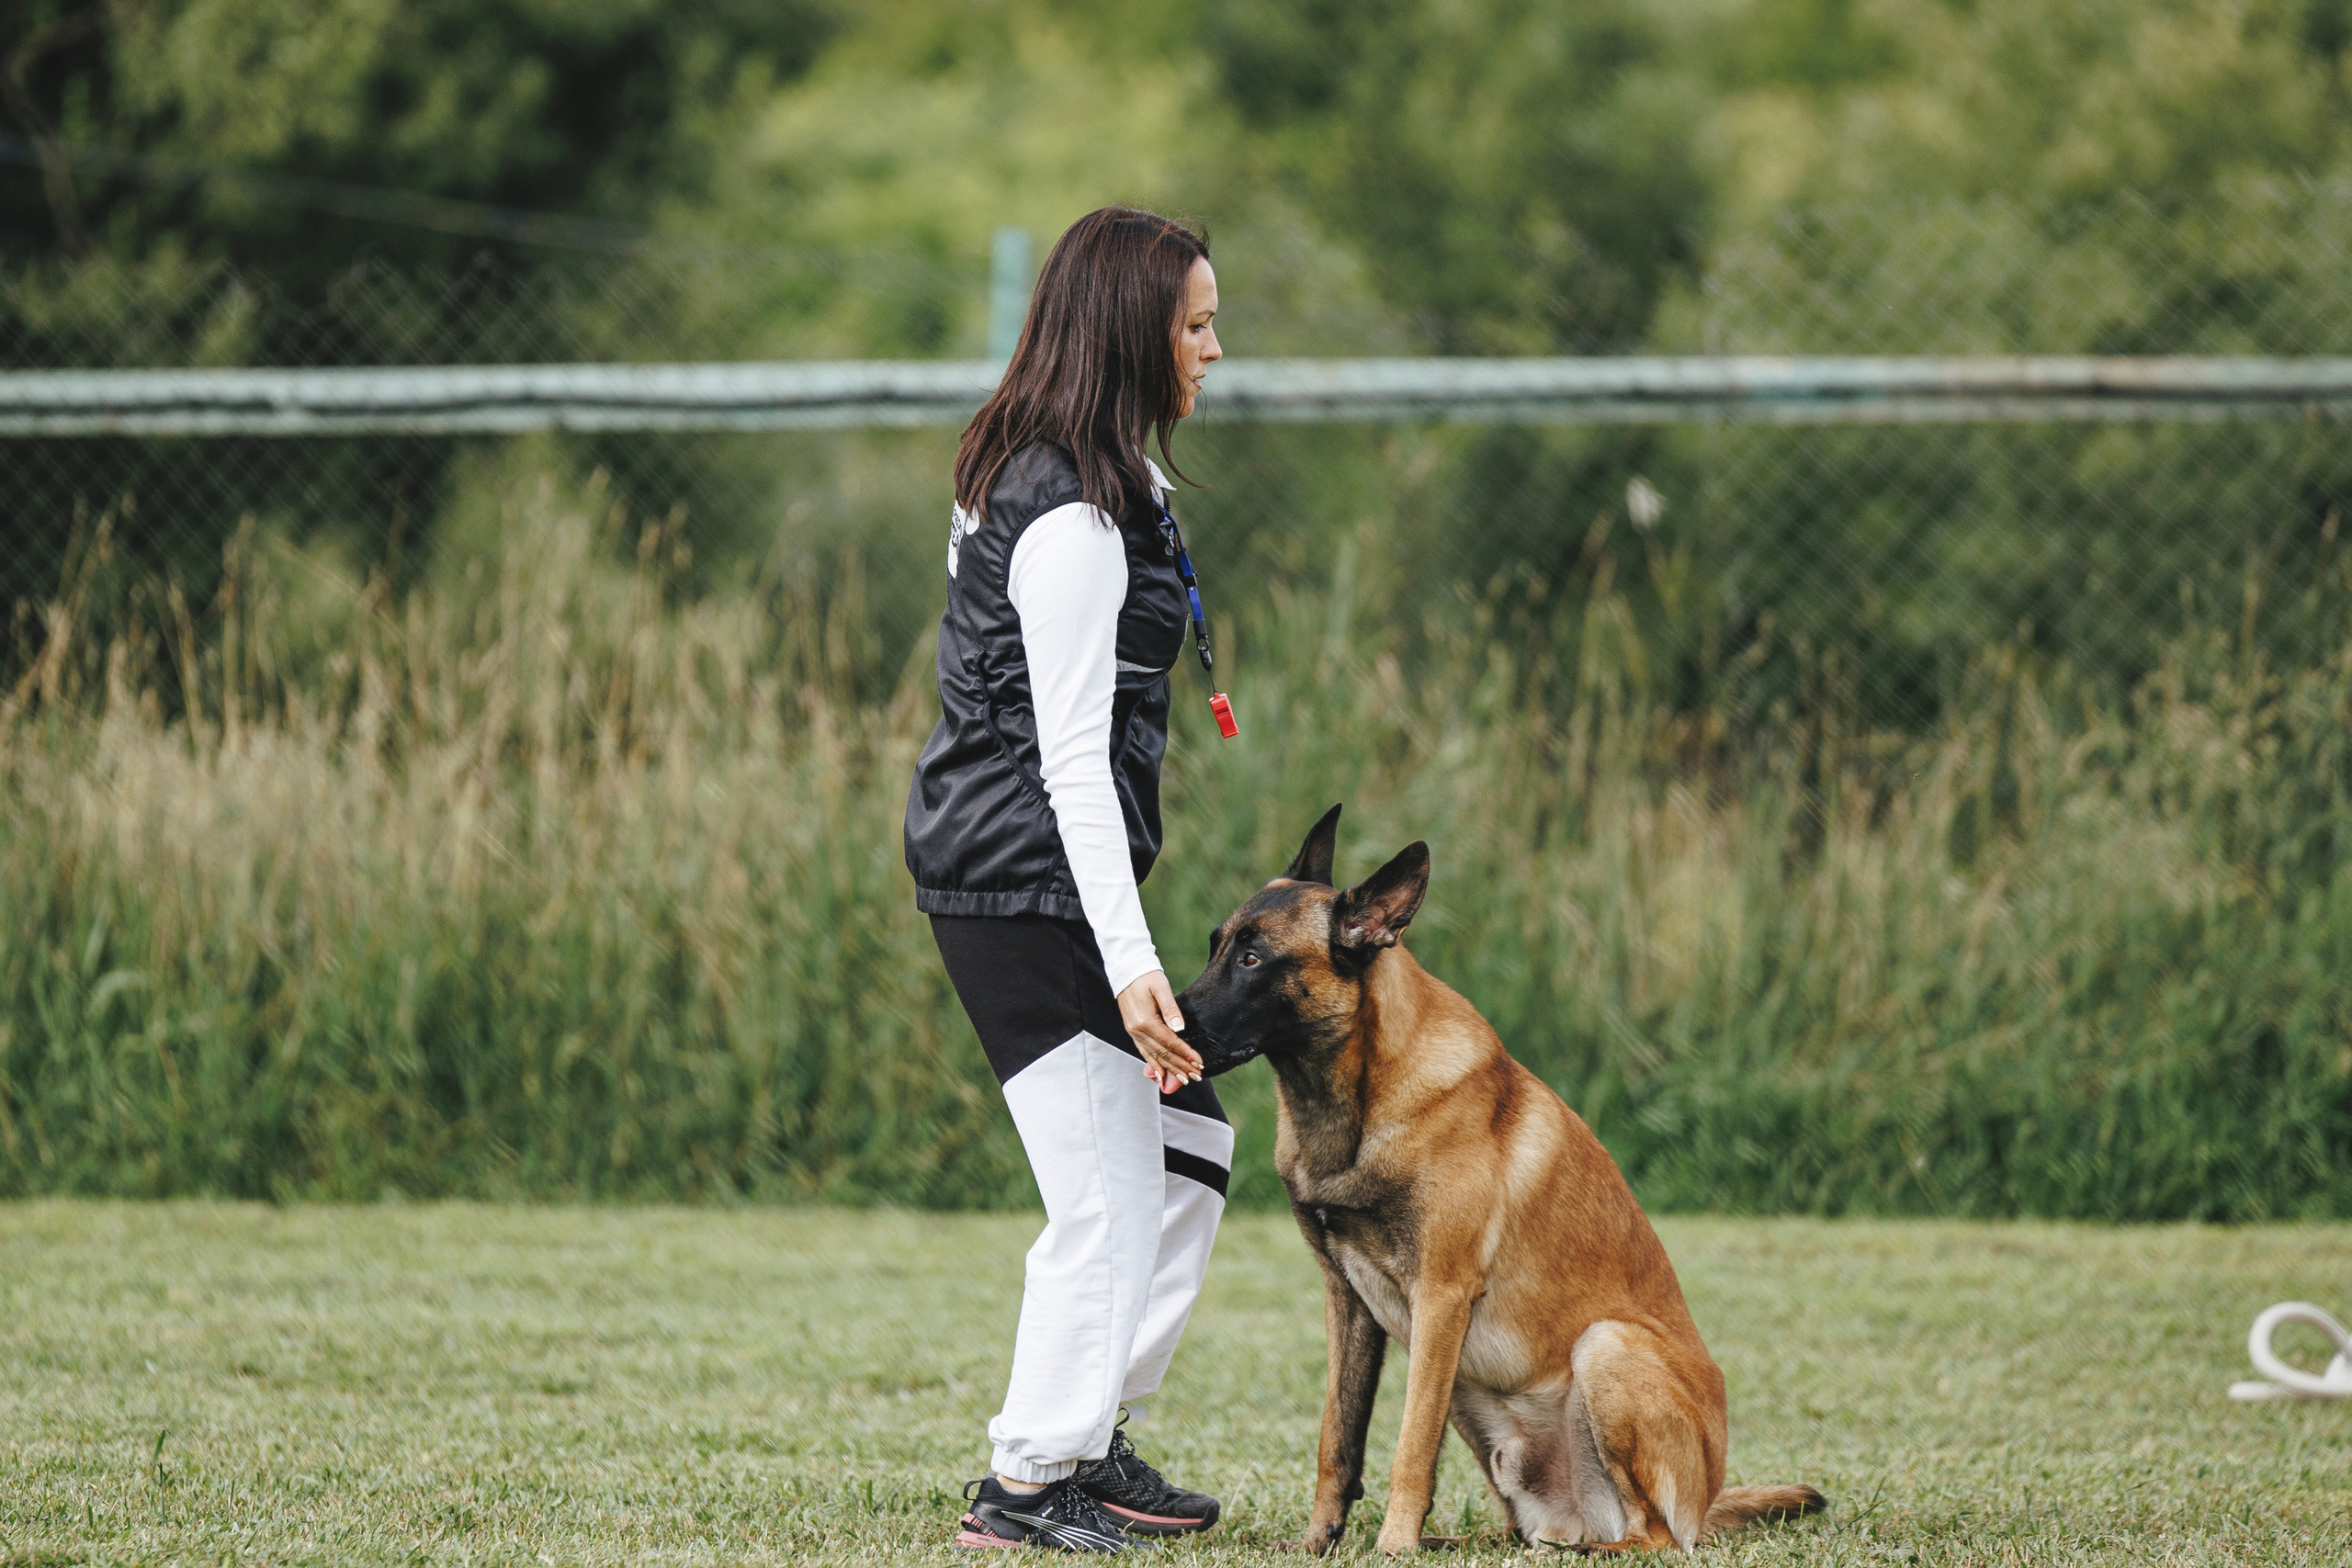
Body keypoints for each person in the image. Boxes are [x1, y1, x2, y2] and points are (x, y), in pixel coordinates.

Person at [904, 205, 1230, 1553]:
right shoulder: (1071, 524)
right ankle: (1026, 1483)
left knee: (1192, 1144)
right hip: (1020, 885)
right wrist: (1135, 961)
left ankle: (1085, 1436)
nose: (1217, 350)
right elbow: (1069, 765)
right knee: (1107, 1189)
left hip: (1020, 869)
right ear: (1129, 339)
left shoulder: (1090, 480)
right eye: (1196, 327)